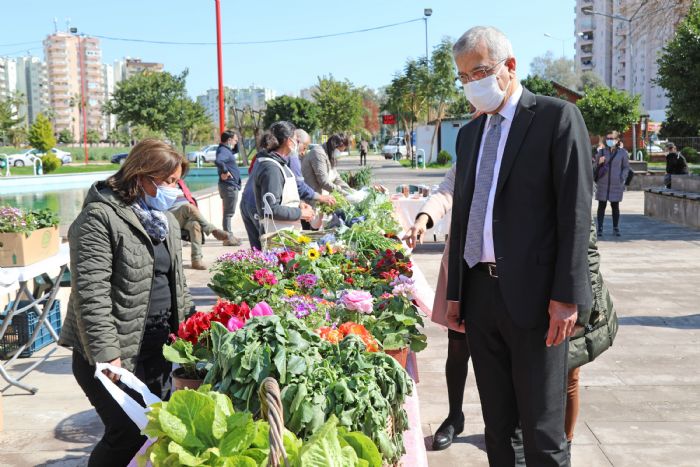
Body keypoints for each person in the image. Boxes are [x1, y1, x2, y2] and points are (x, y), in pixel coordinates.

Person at [445, 26, 593, 466]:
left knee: (543, 433)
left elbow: (575, 215)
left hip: (538, 302)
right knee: (497, 428)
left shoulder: (554, 119)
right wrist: (457, 293)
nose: (473, 83)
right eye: (464, 77)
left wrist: (567, 297)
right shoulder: (470, 135)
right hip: (481, 296)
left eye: (481, 71)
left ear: (510, 67)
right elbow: (465, 215)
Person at [406, 171, 617, 454]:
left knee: (566, 371)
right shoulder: (477, 142)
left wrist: (577, 300)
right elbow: (448, 190)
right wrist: (423, 218)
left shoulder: (548, 148)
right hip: (482, 279)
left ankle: (559, 444)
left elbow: (582, 237)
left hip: (548, 287)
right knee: (471, 353)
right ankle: (477, 423)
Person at [58, 139, 194, 466]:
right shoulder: (98, 218)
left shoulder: (165, 221)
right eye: (169, 182)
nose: (175, 191)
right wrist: (108, 357)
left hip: (158, 351)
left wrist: (194, 335)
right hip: (114, 358)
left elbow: (177, 283)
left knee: (153, 434)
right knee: (126, 435)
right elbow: (91, 293)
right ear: (142, 177)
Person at [240, 129, 335, 249]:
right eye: (302, 145)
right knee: (263, 252)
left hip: (250, 202)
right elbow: (274, 207)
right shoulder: (273, 166)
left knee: (259, 252)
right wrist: (303, 211)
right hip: (261, 210)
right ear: (290, 141)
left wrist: (299, 203)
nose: (303, 152)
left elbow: (283, 189)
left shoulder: (270, 157)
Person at [253, 121, 315, 239]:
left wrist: (300, 205)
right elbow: (271, 208)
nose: (297, 144)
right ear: (288, 141)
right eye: (296, 140)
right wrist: (300, 213)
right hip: (277, 237)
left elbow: (283, 198)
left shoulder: (281, 164)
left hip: (287, 233)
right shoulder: (271, 168)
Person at [169, 179, 234, 270]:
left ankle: (196, 260)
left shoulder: (180, 183)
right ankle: (213, 230)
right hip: (172, 216)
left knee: (195, 225)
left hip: (186, 218)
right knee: (188, 207)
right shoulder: (161, 182)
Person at [595, 131, 630, 237]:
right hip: (603, 183)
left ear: (617, 140)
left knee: (615, 206)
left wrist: (621, 178)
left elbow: (626, 167)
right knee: (601, 206)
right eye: (608, 138)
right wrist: (599, 162)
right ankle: (600, 228)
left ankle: (616, 227)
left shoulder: (623, 153)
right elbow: (594, 166)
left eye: (612, 139)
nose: (609, 140)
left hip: (616, 183)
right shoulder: (601, 152)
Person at [215, 130, 243, 245]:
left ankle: (229, 235)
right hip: (229, 186)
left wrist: (238, 142)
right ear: (229, 140)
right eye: (235, 140)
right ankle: (227, 238)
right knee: (228, 213)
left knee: (228, 213)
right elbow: (219, 161)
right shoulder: (224, 151)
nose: (236, 142)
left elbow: (234, 151)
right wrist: (225, 171)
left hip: (228, 186)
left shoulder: (224, 149)